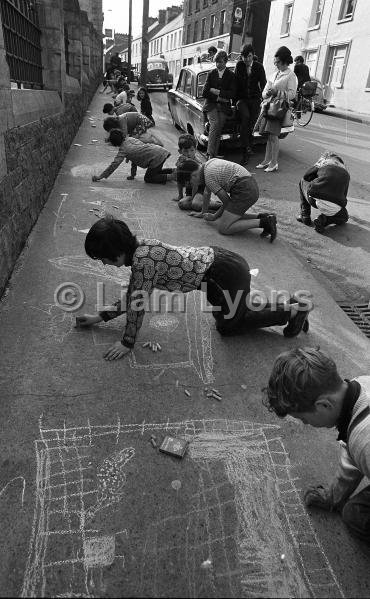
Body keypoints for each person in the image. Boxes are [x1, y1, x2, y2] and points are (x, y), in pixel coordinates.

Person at [76, 216, 313, 360]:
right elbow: (133, 297)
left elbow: (136, 306)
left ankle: (293, 312)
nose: (105, 264)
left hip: (223, 275)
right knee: (238, 308)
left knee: (230, 326)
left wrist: (127, 343)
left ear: (117, 253)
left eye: (103, 259)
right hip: (221, 261)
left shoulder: (143, 264)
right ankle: (290, 305)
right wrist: (99, 317)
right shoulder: (140, 247)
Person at [265, 347, 370, 545]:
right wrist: (334, 498)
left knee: (356, 516)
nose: (305, 424)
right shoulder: (360, 385)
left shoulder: (365, 441)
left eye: (303, 418)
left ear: (324, 405)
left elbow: (358, 448)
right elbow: (352, 454)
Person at [177, 157, 277, 241]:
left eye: (190, 182)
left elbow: (226, 202)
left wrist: (214, 216)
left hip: (245, 190)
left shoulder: (209, 177)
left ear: (194, 175)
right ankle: (263, 216)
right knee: (228, 215)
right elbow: (207, 193)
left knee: (224, 228)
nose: (192, 185)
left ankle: (266, 222)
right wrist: (203, 212)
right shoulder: (208, 165)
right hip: (248, 185)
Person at [255, 46, 297, 172]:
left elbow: (292, 94)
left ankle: (274, 163)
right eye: (275, 62)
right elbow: (264, 92)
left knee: (273, 136)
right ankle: (267, 160)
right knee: (268, 136)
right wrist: (267, 93)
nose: (276, 64)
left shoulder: (291, 75)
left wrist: (277, 92)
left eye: (277, 62)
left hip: (278, 109)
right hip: (268, 107)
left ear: (284, 61)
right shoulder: (275, 74)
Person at [92, 129, 175, 184]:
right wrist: (133, 175)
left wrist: (101, 176)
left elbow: (114, 165)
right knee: (155, 172)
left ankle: (173, 176)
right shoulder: (130, 139)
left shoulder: (123, 150)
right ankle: (173, 170)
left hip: (156, 157)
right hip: (160, 151)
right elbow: (135, 157)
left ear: (115, 143)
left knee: (149, 178)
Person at [297, 151, 350, 234]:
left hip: (315, 198)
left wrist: (317, 166)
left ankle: (305, 215)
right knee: (344, 217)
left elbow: (306, 176)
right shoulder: (345, 172)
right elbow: (344, 196)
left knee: (302, 181)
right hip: (335, 205)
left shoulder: (324, 162)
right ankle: (323, 220)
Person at [235, 44, 267, 165]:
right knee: (246, 118)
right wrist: (233, 101)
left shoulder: (259, 67)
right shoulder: (239, 65)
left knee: (252, 124)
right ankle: (245, 152)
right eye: (244, 57)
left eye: (248, 56)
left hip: (255, 100)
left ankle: (249, 146)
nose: (246, 59)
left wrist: (265, 99)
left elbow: (264, 84)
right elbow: (235, 83)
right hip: (242, 100)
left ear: (252, 55)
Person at [202, 50, 237, 160]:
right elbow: (205, 92)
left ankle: (213, 155)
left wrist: (216, 91)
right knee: (215, 124)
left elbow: (232, 93)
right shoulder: (211, 73)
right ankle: (209, 154)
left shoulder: (231, 75)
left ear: (225, 62)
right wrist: (219, 97)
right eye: (216, 62)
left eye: (220, 62)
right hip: (211, 105)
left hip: (224, 107)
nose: (218, 64)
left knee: (218, 130)